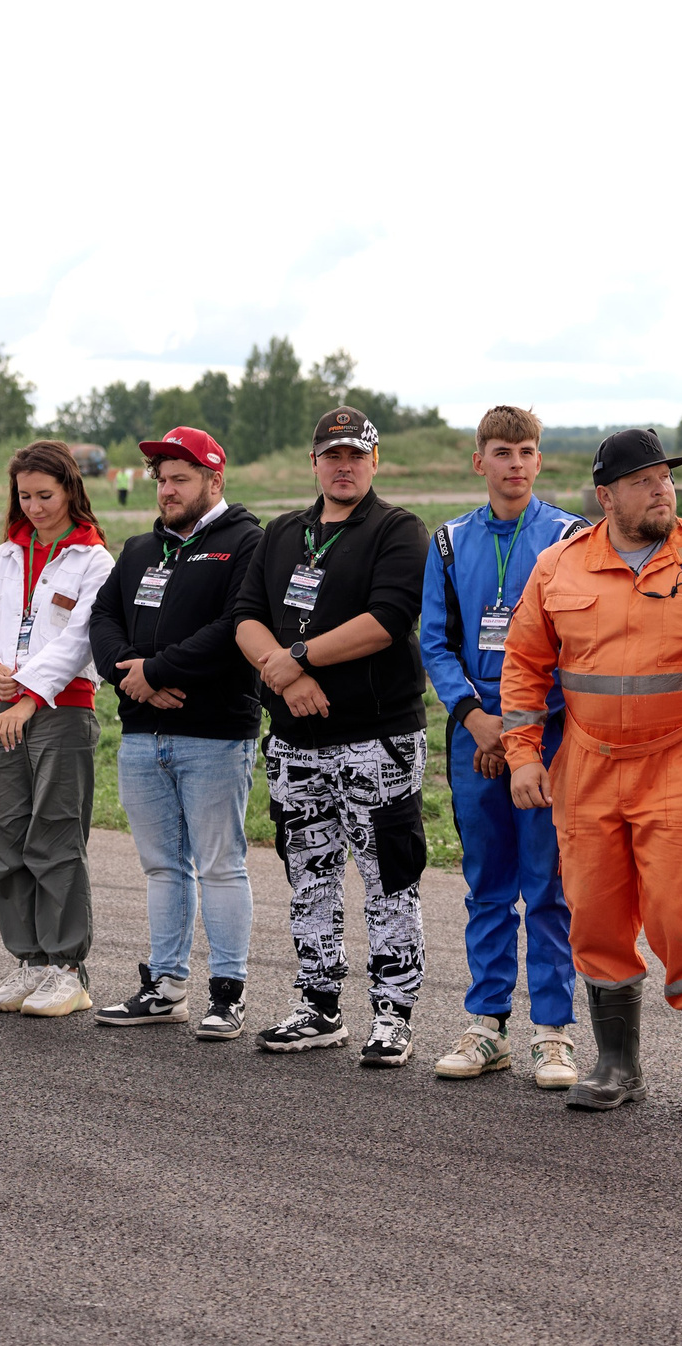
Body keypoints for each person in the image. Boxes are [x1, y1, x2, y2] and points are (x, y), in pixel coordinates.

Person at [499, 428, 682, 1124]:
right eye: (642, 481)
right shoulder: (558, 566)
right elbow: (524, 665)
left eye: (666, 478)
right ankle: (617, 1064)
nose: (661, 490)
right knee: (593, 915)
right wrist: (524, 754)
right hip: (588, 765)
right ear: (607, 496)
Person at [232, 406, 432, 1065]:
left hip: (376, 741)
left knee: (387, 876)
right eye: (332, 455)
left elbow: (389, 619)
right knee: (308, 873)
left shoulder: (398, 530)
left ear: (375, 462)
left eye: (356, 455)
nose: (343, 466)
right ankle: (316, 1006)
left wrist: (304, 658)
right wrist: (286, 678)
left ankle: (393, 1013)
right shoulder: (283, 532)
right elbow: (246, 618)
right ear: (313, 462)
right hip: (294, 741)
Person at [419, 405, 585, 1089]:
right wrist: (475, 718)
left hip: (548, 735)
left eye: (525, 451)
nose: (514, 464)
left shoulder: (572, 538)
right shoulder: (451, 543)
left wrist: (519, 731)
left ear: (539, 460)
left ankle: (554, 1032)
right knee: (488, 886)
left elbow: (578, 645)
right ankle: (487, 1025)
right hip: (474, 735)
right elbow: (435, 639)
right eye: (501, 451)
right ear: (478, 460)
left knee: (548, 885)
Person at [86, 427, 266, 1039]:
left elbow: (234, 626)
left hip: (215, 734)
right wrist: (128, 677)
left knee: (220, 864)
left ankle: (227, 993)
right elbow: (102, 616)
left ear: (214, 480)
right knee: (163, 867)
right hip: (142, 734)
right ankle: (165, 986)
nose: (166, 489)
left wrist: (156, 671)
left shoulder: (247, 543)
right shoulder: (139, 548)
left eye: (180, 478)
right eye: (161, 479)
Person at [0, 442, 114, 1018]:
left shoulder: (94, 561)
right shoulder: (3, 557)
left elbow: (77, 642)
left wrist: (27, 697)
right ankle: (27, 960)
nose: (34, 507)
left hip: (59, 711)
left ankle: (66, 968)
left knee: (53, 834)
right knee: (5, 833)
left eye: (45, 496)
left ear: (71, 490)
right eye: (24, 496)